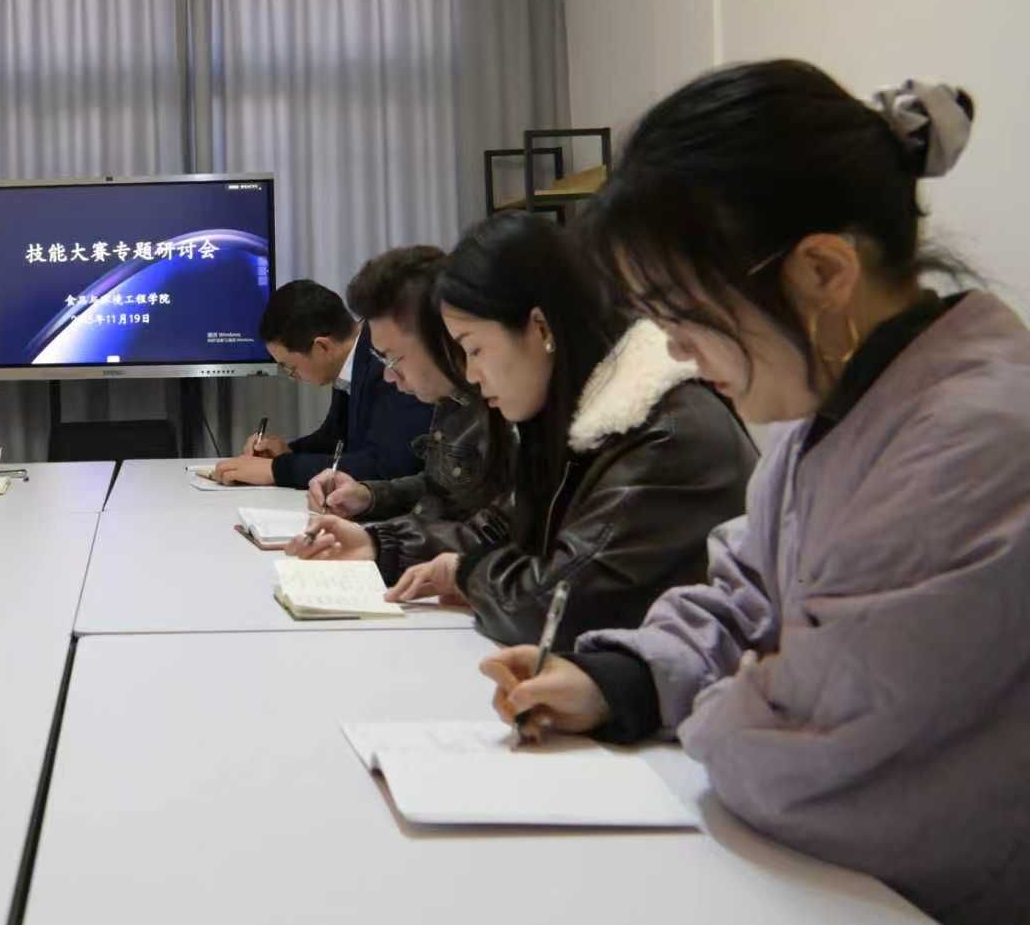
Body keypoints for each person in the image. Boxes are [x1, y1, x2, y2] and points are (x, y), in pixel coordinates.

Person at [479, 64, 1029, 925]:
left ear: (823, 272)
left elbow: (816, 753)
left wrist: (725, 704)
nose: (677, 352)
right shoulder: (839, 407)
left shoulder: (977, 441)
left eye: (686, 316)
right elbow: (741, 594)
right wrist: (619, 680)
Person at [386, 210, 754, 648]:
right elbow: (504, 529)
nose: (471, 374)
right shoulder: (566, 422)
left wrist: (466, 574)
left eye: (475, 349)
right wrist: (384, 545)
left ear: (541, 327)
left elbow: (551, 607)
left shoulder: (663, 435)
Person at [287, 246, 511, 584]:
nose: (389, 376)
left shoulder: (507, 403)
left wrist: (380, 545)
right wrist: (369, 495)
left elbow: (498, 531)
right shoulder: (452, 400)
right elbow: (444, 489)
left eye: (393, 359)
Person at [211, 277, 433, 488]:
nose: (292, 377)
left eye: (290, 367)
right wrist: (286, 452)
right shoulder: (352, 360)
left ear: (322, 347)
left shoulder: (387, 365)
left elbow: (386, 466)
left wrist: (277, 470)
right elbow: (334, 440)